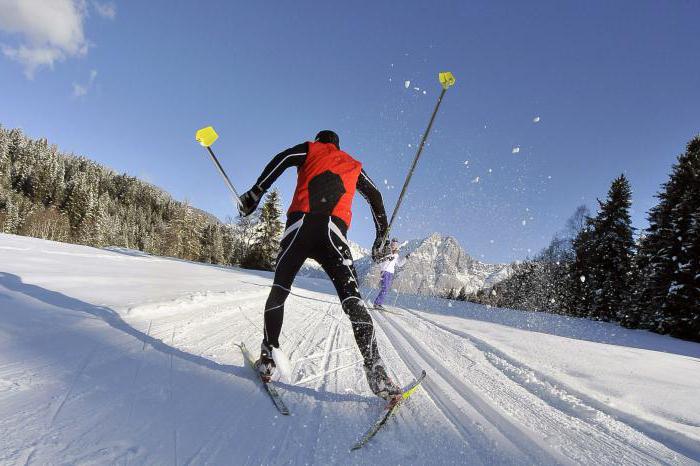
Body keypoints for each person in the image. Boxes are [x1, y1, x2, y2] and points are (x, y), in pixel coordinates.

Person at [237, 130, 400, 399]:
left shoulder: (310, 149)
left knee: (279, 290)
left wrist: (256, 193)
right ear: (338, 145)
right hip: (333, 235)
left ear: (320, 141)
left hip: (300, 227)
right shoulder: (352, 164)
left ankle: (268, 356)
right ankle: (376, 370)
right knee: (353, 302)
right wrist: (381, 237)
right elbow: (376, 197)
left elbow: (283, 159)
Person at [373, 238, 409, 311]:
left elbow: (399, 264)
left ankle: (379, 303)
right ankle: (377, 303)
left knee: (386, 289)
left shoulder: (396, 254)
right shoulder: (386, 251)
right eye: (393, 244)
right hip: (385, 271)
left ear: (397, 245)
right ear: (391, 244)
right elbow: (379, 261)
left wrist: (406, 258)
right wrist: (388, 258)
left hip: (391, 273)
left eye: (395, 244)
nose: (394, 245)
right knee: (385, 288)